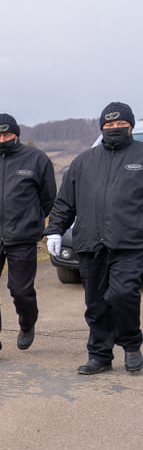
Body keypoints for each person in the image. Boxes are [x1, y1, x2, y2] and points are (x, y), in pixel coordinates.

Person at [46, 101, 143, 375]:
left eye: (120, 124)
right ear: (101, 128)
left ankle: (132, 344)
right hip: (90, 244)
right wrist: (55, 230)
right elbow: (65, 202)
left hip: (130, 243)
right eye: (109, 125)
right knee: (96, 303)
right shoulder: (83, 162)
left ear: (130, 126)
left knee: (123, 295)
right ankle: (100, 354)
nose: (114, 129)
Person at [0, 113, 57, 363]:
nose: (3, 139)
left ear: (16, 134)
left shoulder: (37, 159)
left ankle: (27, 323)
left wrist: (31, 220)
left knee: (21, 291)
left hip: (23, 238)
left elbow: (48, 198)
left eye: (7, 134)